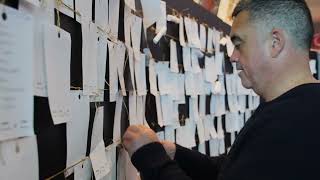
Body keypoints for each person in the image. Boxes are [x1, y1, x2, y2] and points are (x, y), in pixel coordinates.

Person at [122, 0, 320, 179]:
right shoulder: (296, 110)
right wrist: (178, 154)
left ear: (275, 43)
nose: (233, 57)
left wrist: (151, 158)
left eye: (239, 44)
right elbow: (233, 170)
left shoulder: (290, 122)